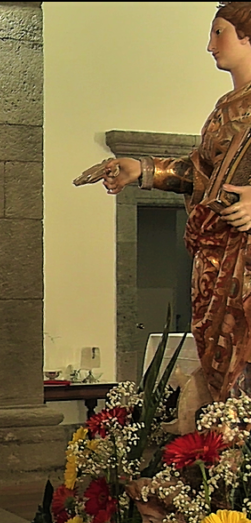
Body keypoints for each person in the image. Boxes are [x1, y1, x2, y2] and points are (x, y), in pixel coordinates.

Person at [77, 2, 251, 411]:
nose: (210, 45)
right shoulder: (225, 110)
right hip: (217, 256)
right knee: (221, 373)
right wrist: (141, 169)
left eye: (219, 32)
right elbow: (199, 173)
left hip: (246, 260)